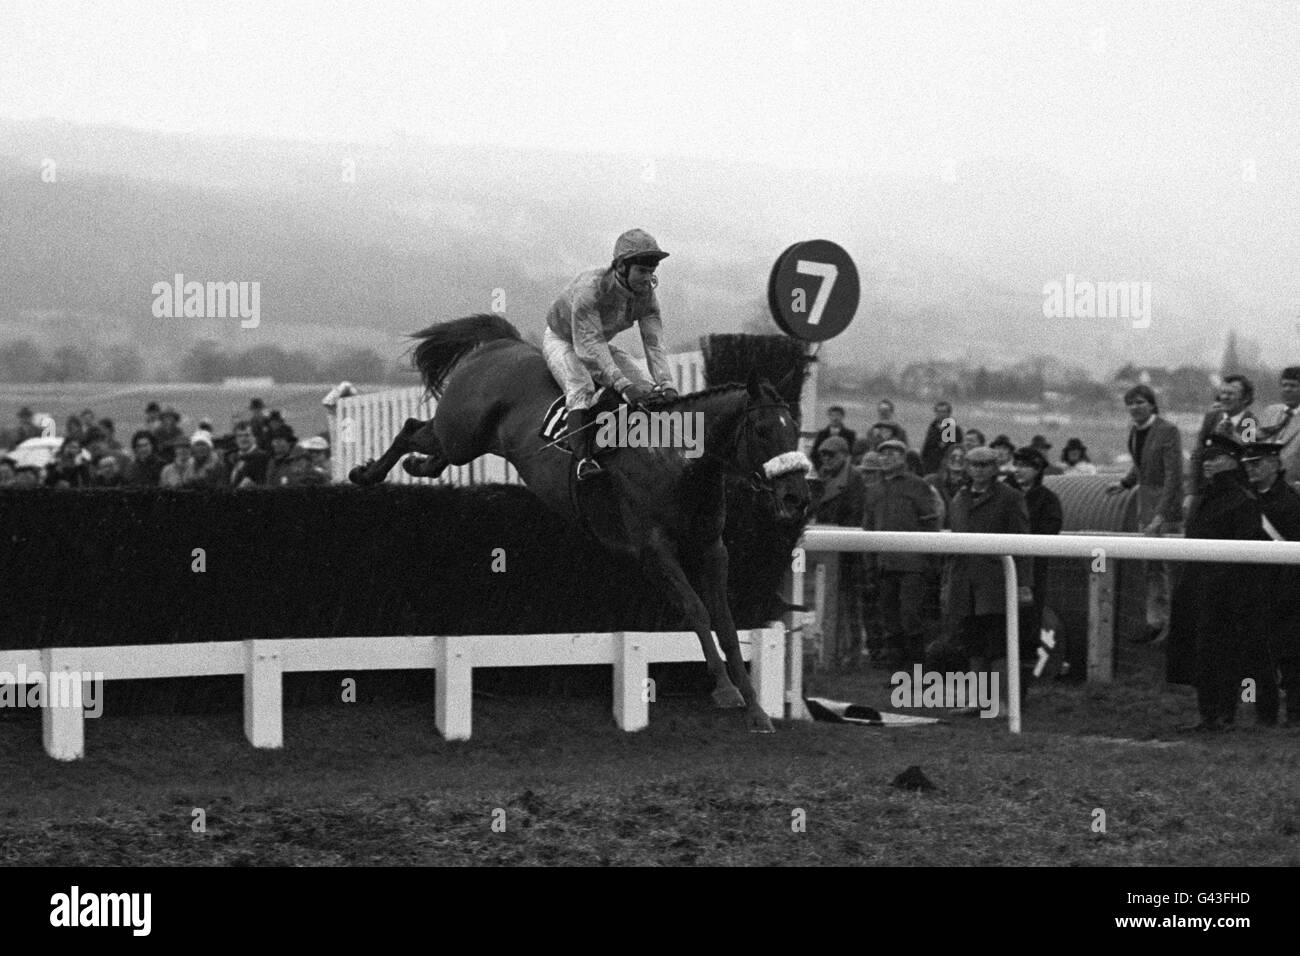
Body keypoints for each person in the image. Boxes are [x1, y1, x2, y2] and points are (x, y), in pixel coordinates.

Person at [542, 228, 679, 480]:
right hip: (564, 340)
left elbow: (654, 343)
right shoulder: (589, 289)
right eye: (642, 271)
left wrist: (667, 383)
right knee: (581, 388)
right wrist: (622, 384)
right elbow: (589, 344)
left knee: (647, 389)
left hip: (597, 342)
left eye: (651, 272)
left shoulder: (647, 296)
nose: (647, 279)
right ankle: (584, 461)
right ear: (621, 267)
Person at [1166, 435, 1268, 731]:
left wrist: (1221, 586)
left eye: (1215, 458)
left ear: (1233, 460)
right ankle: (1208, 713)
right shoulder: (1206, 497)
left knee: (1223, 653)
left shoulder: (1242, 500)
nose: (1208, 464)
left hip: (1227, 593)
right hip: (1200, 587)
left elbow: (1245, 550)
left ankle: (1224, 713)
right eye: (1206, 459)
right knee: (1201, 653)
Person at [944, 446, 1033, 709]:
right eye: (974, 465)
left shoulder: (1010, 498)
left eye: (984, 465)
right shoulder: (959, 498)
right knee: (973, 643)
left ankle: (1003, 702)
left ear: (995, 469)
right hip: (964, 581)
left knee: (997, 644)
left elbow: (1023, 542)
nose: (978, 470)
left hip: (995, 581)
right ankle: (977, 700)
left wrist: (1024, 583)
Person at [1106, 384, 1184, 644]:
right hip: (1145, 504)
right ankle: (1155, 621)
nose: (1134, 408)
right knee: (1151, 566)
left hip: (1165, 506)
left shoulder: (1168, 431)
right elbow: (1141, 464)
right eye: (1130, 403)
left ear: (1152, 404)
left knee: (1169, 567)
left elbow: (1174, 475)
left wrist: (1162, 514)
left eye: (1140, 402)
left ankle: (1175, 624)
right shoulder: (1135, 431)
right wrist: (1125, 483)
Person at [863, 438, 941, 669]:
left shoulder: (918, 486)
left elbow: (930, 523)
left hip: (913, 565)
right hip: (884, 565)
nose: (887, 458)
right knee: (890, 620)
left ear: (903, 458)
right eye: (883, 454)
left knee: (911, 618)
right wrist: (870, 565)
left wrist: (931, 561)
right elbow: (868, 530)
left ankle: (916, 671)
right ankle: (896, 671)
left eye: (893, 454)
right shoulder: (874, 490)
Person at [1240, 441, 1300, 726]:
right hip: (1254, 586)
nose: (1252, 469)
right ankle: (1263, 712)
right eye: (1248, 464)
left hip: (1286, 587)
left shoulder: (1291, 502)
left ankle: (1295, 714)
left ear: (1275, 465)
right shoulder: (1245, 500)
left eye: (1258, 463)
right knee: (1255, 654)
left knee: (1290, 655)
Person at [811, 435, 868, 668]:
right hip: (829, 550)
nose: (826, 458)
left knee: (849, 605)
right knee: (832, 604)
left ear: (844, 455)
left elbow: (856, 514)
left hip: (847, 550)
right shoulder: (823, 476)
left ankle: (851, 653)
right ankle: (832, 650)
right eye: (823, 454)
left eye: (831, 454)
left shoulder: (854, 479)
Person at [1012, 446, 1064, 682]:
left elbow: (1048, 535)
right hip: (999, 570)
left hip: (1032, 573)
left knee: (1027, 627)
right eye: (1017, 464)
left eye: (1025, 466)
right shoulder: (1005, 494)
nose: (1019, 470)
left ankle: (1021, 687)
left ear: (1038, 470)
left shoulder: (1048, 501)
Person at [1188, 374, 1259, 505]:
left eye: (1231, 394)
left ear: (1245, 398)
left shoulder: (1249, 421)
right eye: (1223, 393)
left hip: (1234, 494)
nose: (1225, 397)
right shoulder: (1212, 417)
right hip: (1207, 491)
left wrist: (1232, 435)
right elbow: (1198, 454)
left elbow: (1249, 455)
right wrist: (1191, 492)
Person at [1258, 366, 1300, 491]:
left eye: (1293, 386)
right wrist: (1233, 434)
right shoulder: (1269, 411)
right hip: (1264, 489)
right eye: (1284, 385)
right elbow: (1250, 440)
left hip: (1293, 492)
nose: (1287, 389)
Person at [925, 442, 966, 529]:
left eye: (961, 457)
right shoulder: (931, 481)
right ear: (946, 460)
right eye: (953, 456)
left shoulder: (972, 484)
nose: (957, 459)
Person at [920, 401, 962, 474]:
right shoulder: (933, 427)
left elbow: (952, 448)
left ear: (949, 413)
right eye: (938, 412)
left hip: (945, 464)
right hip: (929, 463)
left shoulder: (954, 429)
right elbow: (927, 446)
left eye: (943, 412)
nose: (941, 414)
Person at [229, 422, 270, 488]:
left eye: (247, 435)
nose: (243, 439)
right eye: (239, 436)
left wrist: (254, 486)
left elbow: (266, 484)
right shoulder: (231, 457)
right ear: (235, 439)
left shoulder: (262, 457)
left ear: (255, 438)